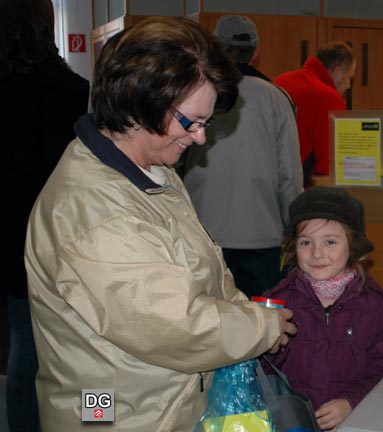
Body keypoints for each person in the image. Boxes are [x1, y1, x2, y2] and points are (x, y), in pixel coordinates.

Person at [24, 17, 296, 431]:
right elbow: (174, 326)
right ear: (140, 103)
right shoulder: (96, 211)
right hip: (115, 414)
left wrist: (241, 310)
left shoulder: (152, 170)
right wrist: (261, 327)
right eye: (193, 122)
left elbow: (202, 268)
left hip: (157, 400)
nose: (201, 138)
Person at [1, 0, 89, 430]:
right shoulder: (68, 92)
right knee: (74, 351)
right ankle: (88, 420)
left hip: (10, 238)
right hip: (59, 241)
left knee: (24, 345)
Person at [264, 186, 383, 431]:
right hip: (292, 424)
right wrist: (266, 343)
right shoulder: (279, 303)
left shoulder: (376, 307)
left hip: (355, 422)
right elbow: (261, 372)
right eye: (306, 242)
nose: (317, 253)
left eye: (330, 242)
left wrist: (352, 401)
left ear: (351, 247)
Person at [183, 15, 303, 298]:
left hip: (203, 233)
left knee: (211, 320)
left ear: (214, 46)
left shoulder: (194, 90)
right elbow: (289, 173)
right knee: (262, 323)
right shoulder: (276, 98)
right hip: (260, 236)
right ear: (256, 52)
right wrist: (295, 227)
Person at [274, 42, 356, 186]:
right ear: (337, 73)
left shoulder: (281, 80)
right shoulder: (329, 97)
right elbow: (329, 165)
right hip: (296, 187)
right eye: (349, 78)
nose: (349, 86)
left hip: (268, 179)